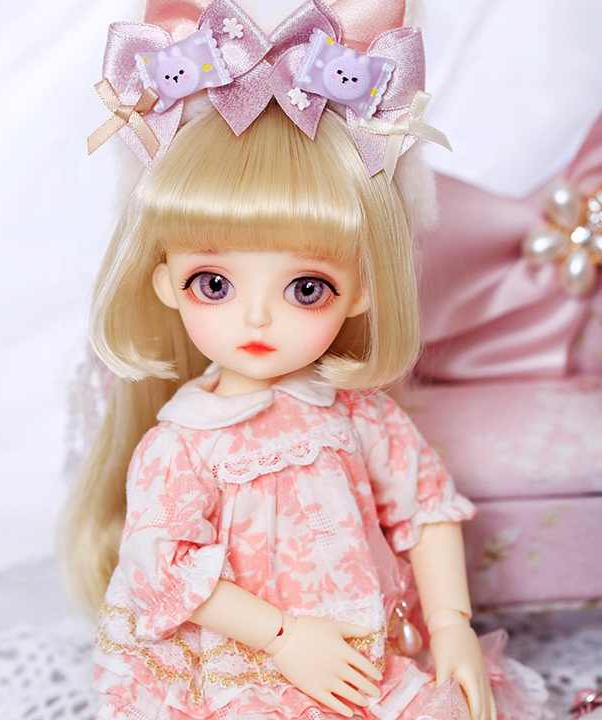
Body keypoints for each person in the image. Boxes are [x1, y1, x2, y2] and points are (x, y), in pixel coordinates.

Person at [61, 3, 550, 718]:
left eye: (306, 288)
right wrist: (284, 637)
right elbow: (162, 566)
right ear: (166, 284)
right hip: (243, 665)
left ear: (361, 293)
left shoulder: (356, 415)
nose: (258, 319)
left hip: (363, 655)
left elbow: (425, 507)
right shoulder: (182, 444)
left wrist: (451, 625)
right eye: (214, 284)